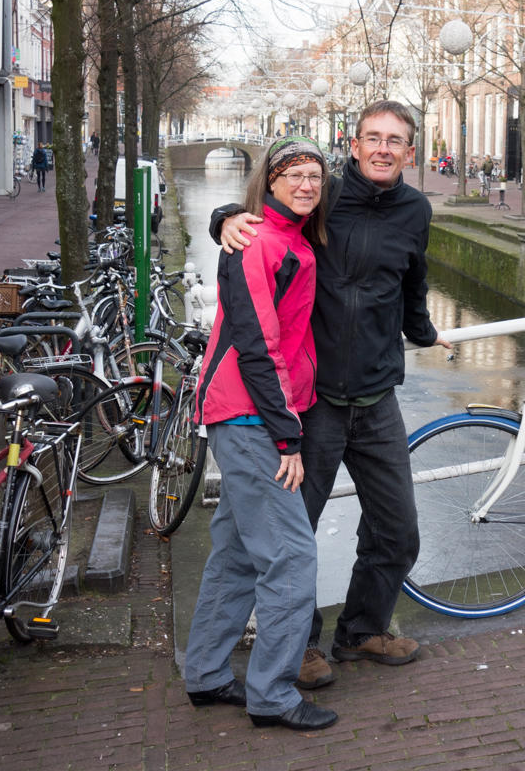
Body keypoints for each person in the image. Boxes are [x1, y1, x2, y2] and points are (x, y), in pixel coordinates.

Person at [213, 101, 450, 693]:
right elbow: (267, 216)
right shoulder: (324, 194)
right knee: (297, 534)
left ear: (410, 152)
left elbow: (413, 282)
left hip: (376, 395)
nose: (382, 149)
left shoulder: (416, 211)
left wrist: (424, 332)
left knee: (397, 529)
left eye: (394, 140)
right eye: (373, 137)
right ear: (355, 143)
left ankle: (362, 629)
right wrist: (224, 217)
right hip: (313, 401)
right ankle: (298, 646)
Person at [185, 136, 338, 733]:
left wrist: (223, 216)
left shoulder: (289, 237)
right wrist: (287, 437)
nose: (306, 184)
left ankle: (205, 673)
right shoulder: (259, 242)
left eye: (314, 176)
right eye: (293, 174)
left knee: (236, 554)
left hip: (251, 414)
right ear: (269, 182)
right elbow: (256, 345)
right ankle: (272, 694)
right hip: (251, 417)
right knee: (292, 559)